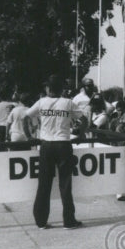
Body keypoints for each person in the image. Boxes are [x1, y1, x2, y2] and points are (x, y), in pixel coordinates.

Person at [26, 75, 84, 229]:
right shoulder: (68, 103)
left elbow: (26, 117)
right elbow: (83, 119)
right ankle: (69, 220)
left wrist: (29, 135)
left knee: (44, 183)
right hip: (63, 144)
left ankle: (41, 221)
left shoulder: (41, 102)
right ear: (61, 89)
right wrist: (81, 134)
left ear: (48, 88)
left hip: (46, 145)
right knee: (65, 184)